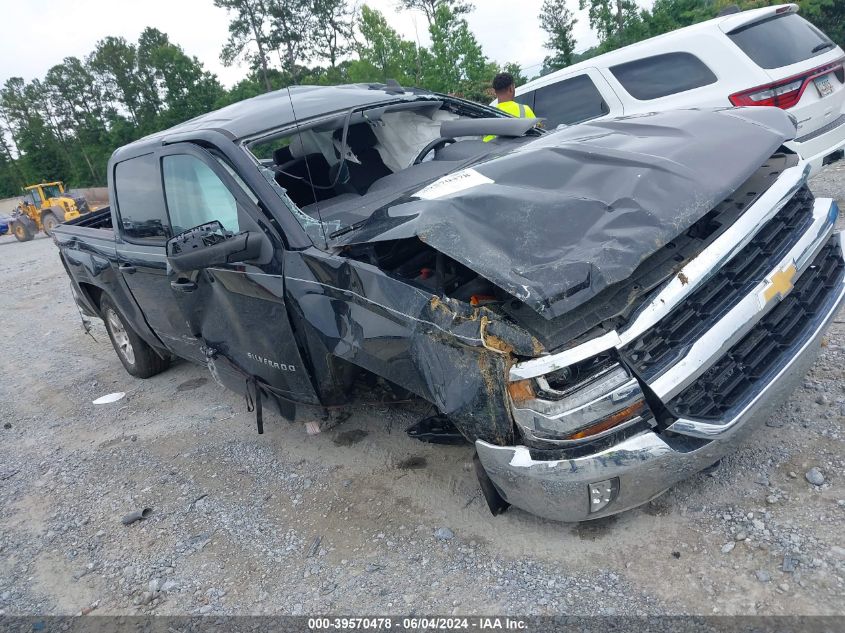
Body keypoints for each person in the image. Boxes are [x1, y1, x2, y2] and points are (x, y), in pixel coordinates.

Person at [484, 72, 536, 142]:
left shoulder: (489, 115)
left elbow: (486, 142)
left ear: (494, 91)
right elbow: (537, 133)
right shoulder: (524, 110)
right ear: (511, 88)